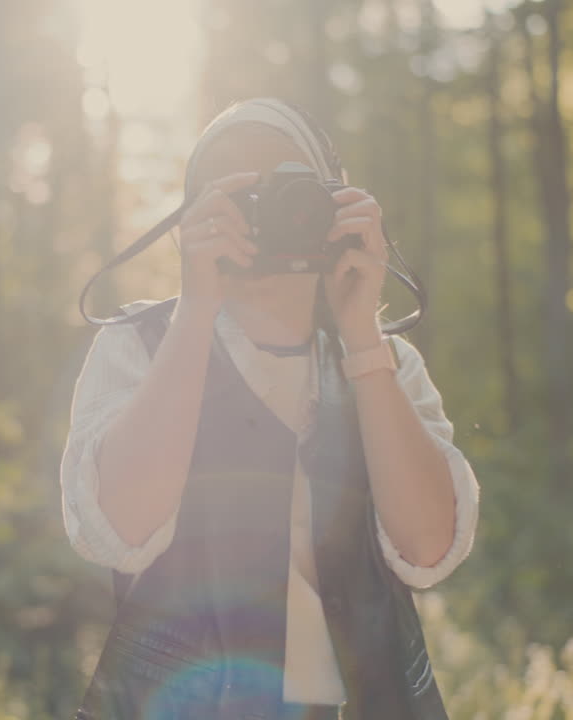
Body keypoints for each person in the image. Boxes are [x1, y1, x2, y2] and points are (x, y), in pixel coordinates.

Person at [60, 97, 480, 720]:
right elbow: (119, 528)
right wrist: (197, 306)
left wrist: (362, 334)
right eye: (235, 195)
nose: (261, 215)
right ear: (192, 216)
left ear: (333, 205)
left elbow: (427, 549)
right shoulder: (139, 348)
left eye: (286, 190)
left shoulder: (385, 364)